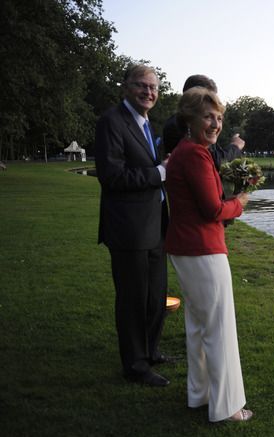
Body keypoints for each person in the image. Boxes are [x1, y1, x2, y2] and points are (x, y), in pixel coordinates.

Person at [164, 86, 253, 422]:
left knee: (199, 326)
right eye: (208, 117)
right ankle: (227, 407)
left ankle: (200, 395)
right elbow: (212, 208)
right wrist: (239, 204)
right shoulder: (196, 155)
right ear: (190, 119)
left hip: (187, 248)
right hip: (202, 249)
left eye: (219, 118)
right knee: (218, 329)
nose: (215, 124)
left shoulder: (185, 151)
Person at [95, 64, 171, 387]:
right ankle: (135, 366)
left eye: (153, 87)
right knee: (132, 300)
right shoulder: (111, 122)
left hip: (155, 226)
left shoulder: (145, 123)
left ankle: (151, 351)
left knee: (156, 296)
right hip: (128, 230)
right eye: (141, 85)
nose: (148, 92)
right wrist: (159, 174)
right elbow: (111, 176)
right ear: (125, 86)